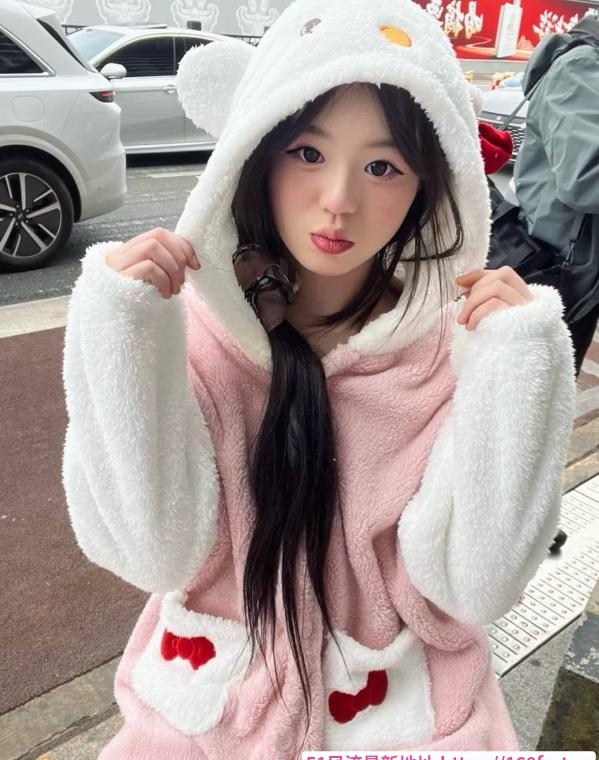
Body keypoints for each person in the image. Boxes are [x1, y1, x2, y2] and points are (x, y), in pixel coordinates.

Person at [62, 0, 576, 756]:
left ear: (429, 187)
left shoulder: (452, 354)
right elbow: (151, 554)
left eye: (382, 166)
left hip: (406, 721)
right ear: (256, 151)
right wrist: (118, 331)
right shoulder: (190, 338)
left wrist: (523, 362)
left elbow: (476, 585)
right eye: (307, 152)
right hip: (205, 718)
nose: (339, 198)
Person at [514, 13, 599, 376]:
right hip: (560, 266)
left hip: (577, 266)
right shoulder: (582, 66)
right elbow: (585, 178)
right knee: (542, 379)